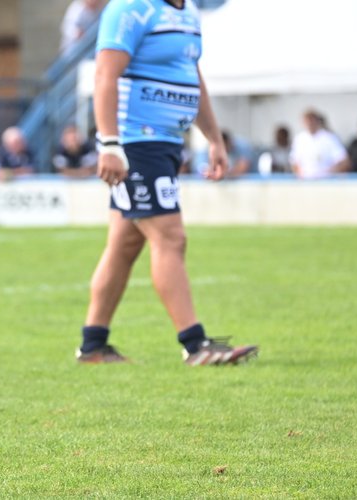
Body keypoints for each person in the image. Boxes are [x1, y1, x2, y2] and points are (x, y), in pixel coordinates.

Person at [78, 0, 257, 366]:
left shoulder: (188, 12)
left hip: (166, 144)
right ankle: (196, 345)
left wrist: (215, 139)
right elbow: (104, 76)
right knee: (170, 237)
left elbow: (191, 76)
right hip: (135, 142)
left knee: (124, 244)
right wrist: (110, 144)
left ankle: (93, 345)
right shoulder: (130, 8)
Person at [290, 109, 348, 179]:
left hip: (326, 180)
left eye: (312, 120)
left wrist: (331, 172)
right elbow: (294, 161)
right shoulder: (299, 138)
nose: (310, 123)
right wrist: (300, 175)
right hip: (305, 181)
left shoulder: (329, 137)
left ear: (317, 121)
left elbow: (343, 160)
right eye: (307, 121)